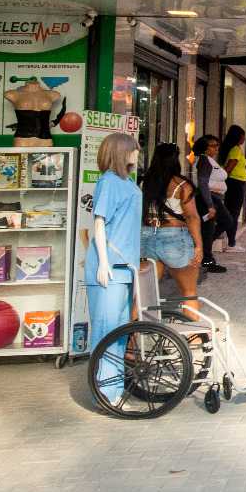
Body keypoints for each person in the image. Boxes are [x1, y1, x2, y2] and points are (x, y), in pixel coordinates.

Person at [86, 132, 142, 404]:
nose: (137, 153)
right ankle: (104, 395)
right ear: (121, 151)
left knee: (119, 331)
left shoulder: (127, 180)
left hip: (125, 266)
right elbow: (99, 222)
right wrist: (104, 261)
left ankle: (115, 390)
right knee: (107, 330)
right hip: (109, 266)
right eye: (134, 149)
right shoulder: (108, 181)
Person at [140, 142, 202, 314]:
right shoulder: (182, 186)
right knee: (188, 292)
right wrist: (198, 246)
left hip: (146, 237)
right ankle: (194, 338)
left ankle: (131, 339)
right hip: (175, 239)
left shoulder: (145, 183)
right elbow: (191, 217)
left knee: (143, 295)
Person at [194, 136, 235, 273]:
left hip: (214, 199)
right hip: (208, 200)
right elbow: (203, 184)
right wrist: (209, 205)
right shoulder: (204, 161)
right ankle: (207, 259)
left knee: (225, 221)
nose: (216, 147)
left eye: (217, 145)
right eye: (212, 145)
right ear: (204, 148)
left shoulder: (209, 160)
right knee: (209, 229)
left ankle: (203, 247)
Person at [217, 125, 246, 251]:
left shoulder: (231, 148)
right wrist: (221, 183)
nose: (244, 138)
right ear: (239, 136)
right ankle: (231, 243)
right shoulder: (235, 150)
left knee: (232, 212)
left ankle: (231, 241)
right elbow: (228, 169)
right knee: (234, 213)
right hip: (235, 183)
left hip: (234, 183)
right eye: (243, 135)